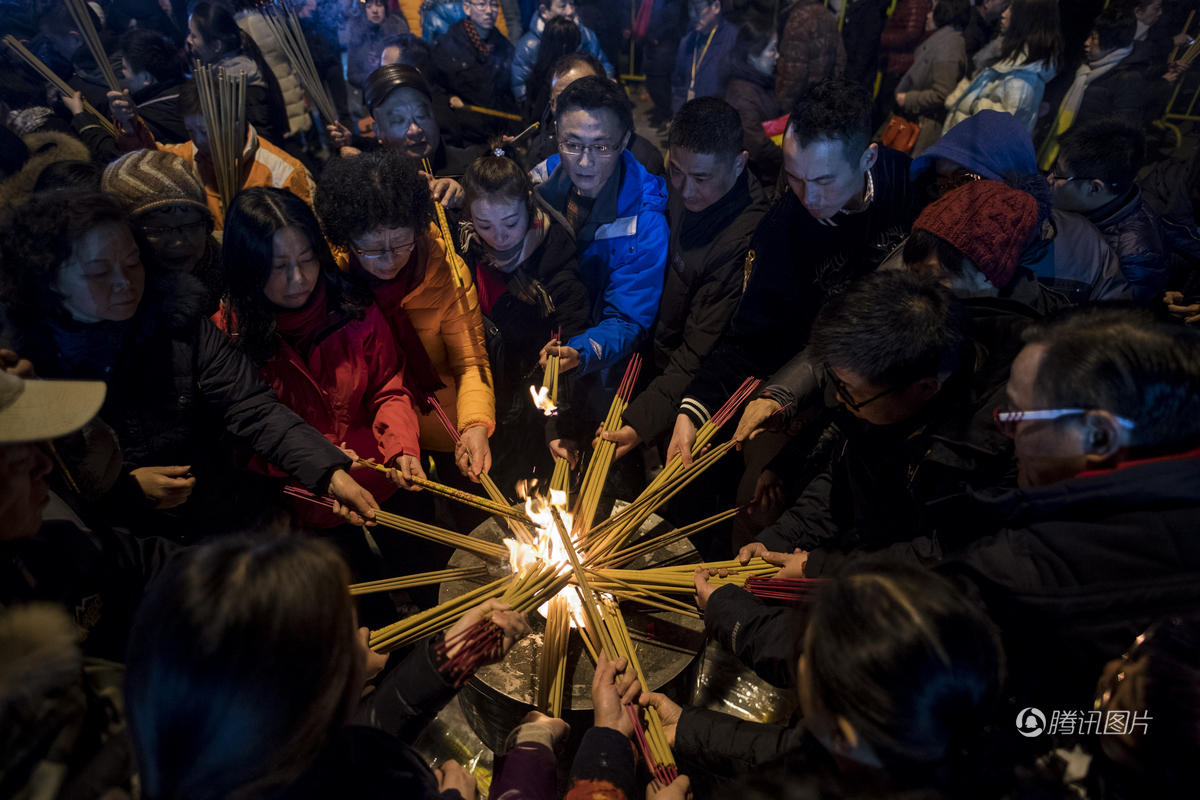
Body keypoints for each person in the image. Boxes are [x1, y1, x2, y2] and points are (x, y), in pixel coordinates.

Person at [780, 309, 1200, 710]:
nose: (1005, 431)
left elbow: (871, 669)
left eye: (1019, 416)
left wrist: (730, 609)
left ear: (1098, 436)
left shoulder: (1034, 571)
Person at [0, 190, 379, 538]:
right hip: (115, 540)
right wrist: (125, 490)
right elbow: (44, 484)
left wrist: (328, 473)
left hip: (211, 514)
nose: (125, 283)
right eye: (99, 272)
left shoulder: (178, 321)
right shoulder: (22, 370)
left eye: (133, 262)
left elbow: (249, 405)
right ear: (49, 280)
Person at [124, 534, 530, 799]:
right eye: (342, 635)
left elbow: (358, 741)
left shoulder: (248, 756)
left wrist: (453, 657)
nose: (364, 634)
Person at [667, 79, 913, 466]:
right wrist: (693, 409)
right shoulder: (781, 229)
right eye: (795, 178)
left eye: (823, 181)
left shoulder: (906, 182)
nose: (808, 198)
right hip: (811, 381)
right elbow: (750, 337)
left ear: (867, 159)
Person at [735, 271, 1014, 567]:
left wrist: (820, 569)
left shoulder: (998, 444)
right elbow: (841, 486)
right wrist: (774, 543)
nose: (840, 399)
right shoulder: (876, 400)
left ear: (923, 389)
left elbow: (947, 555)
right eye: (835, 382)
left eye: (849, 391)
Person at [653, 562, 1004, 795]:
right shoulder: (894, 746)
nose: (797, 655)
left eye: (805, 656)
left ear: (840, 733)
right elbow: (799, 751)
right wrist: (686, 727)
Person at [216, 186, 425, 524]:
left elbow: (389, 384)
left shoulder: (352, 307)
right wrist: (319, 461)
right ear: (248, 267)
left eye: (307, 259)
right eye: (279, 266)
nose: (298, 279)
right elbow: (242, 439)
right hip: (305, 508)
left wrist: (402, 447)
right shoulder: (229, 338)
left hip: (384, 481)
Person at [315, 149, 496, 484]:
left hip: (444, 422)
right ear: (348, 240)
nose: (389, 261)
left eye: (401, 245)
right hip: (374, 436)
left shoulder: (445, 270)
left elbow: (471, 360)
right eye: (371, 250)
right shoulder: (330, 278)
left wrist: (476, 425)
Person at [602, 98, 768, 461]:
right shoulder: (678, 188)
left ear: (739, 163)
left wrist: (641, 422)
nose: (686, 189)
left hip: (691, 386)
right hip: (651, 358)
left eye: (702, 178)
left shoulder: (742, 239)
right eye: (677, 171)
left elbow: (699, 349)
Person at [532, 76, 669, 396]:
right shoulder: (543, 175)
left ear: (623, 142)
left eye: (601, 146)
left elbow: (626, 319)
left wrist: (581, 352)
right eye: (573, 143)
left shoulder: (644, 223)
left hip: (599, 371)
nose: (584, 161)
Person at [909, 109, 1131, 304]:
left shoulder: (1085, 246)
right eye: (940, 181)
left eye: (964, 180)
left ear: (1011, 183)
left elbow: (1112, 329)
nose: (951, 194)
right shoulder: (931, 236)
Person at [459, 148, 591, 421]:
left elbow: (571, 338)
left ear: (529, 203)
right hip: (482, 391)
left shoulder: (556, 255)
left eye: (510, 222)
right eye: (484, 224)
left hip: (532, 399)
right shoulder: (465, 243)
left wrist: (556, 422)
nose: (498, 237)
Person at [107, 80, 316, 231]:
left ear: (235, 124)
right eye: (190, 131)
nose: (197, 140)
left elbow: (310, 240)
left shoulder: (283, 172)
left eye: (205, 132)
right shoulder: (189, 157)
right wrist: (129, 125)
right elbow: (149, 165)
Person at [1049, 120, 1169, 304]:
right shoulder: (1107, 203)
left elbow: (1103, 322)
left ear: (1094, 188)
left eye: (1058, 173)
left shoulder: (1135, 259)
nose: (1049, 179)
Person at [100, 149, 224, 315]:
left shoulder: (234, 275)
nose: (179, 240)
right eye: (158, 229)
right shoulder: (107, 303)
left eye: (191, 225)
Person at [522, 53, 665, 177]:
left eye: (583, 96)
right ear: (551, 104)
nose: (573, 108)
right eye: (561, 100)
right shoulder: (543, 151)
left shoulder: (643, 160)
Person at [943, 0, 1062, 133]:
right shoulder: (1007, 62)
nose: (1003, 14)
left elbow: (994, 134)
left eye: (1011, 9)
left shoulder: (1022, 80)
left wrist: (974, 104)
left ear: (1025, 19)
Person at [186, 1, 288, 145]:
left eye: (194, 36)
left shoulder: (240, 82)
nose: (189, 40)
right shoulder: (218, 74)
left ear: (216, 46)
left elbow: (261, 139)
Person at [892, 0, 970, 156]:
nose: (927, 16)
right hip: (918, 123)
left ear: (946, 13)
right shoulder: (944, 40)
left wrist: (908, 98)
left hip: (923, 128)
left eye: (933, 10)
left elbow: (942, 93)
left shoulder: (949, 47)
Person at [432, 0, 518, 142]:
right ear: (467, 8)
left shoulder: (504, 46)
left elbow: (508, 95)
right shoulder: (447, 44)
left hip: (497, 134)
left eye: (494, 5)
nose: (489, 10)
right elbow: (435, 88)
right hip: (465, 137)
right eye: (482, 4)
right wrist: (449, 98)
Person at [512, 0, 615, 105]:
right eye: (562, 6)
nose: (570, 11)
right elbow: (520, 87)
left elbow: (604, 65)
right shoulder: (529, 45)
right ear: (544, 11)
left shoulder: (587, 36)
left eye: (572, 4)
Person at [723, 16, 784, 188]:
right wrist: (789, 158)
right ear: (752, 54)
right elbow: (756, 146)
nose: (777, 55)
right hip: (756, 181)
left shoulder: (760, 81)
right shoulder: (742, 94)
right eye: (772, 49)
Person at [114, 28, 188, 143]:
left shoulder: (144, 123)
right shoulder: (191, 93)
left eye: (124, 68)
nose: (121, 73)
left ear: (146, 78)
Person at [670, 0, 738, 112]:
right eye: (690, 9)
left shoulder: (732, 39)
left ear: (716, 7)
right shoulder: (687, 41)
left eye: (697, 9)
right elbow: (679, 83)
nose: (693, 15)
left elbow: (735, 88)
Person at [774, 0, 845, 107]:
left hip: (798, 104)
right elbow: (840, 61)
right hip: (819, 101)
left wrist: (782, 107)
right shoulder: (827, 15)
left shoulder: (797, 20)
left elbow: (792, 73)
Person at [347, 0, 411, 94]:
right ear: (364, 10)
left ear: (385, 8)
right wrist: (373, 81)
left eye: (379, 5)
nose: (375, 10)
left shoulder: (397, 30)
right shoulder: (358, 35)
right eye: (369, 6)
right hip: (371, 94)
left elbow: (408, 66)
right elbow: (352, 74)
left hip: (397, 92)